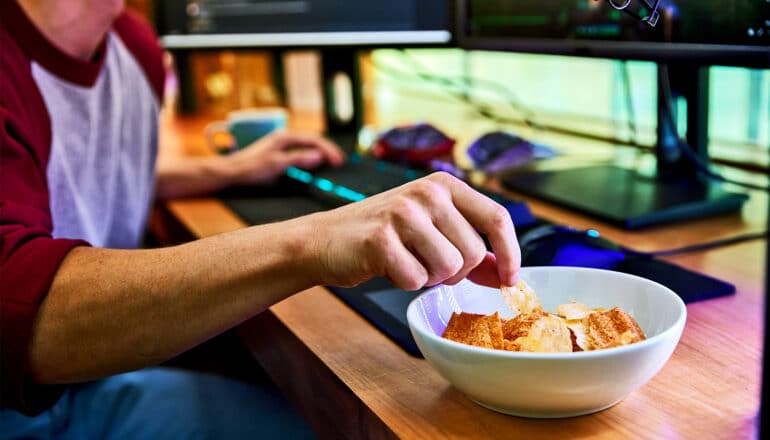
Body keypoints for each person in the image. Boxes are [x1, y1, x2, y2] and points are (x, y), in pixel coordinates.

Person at [0, 0, 521, 437]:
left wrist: (225, 169)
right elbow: (19, 324)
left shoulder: (131, 47)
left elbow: (79, 169)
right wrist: (313, 240)